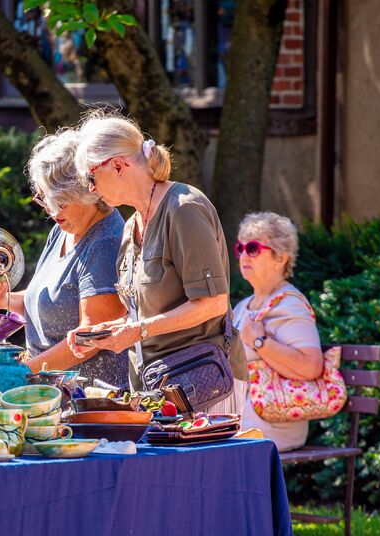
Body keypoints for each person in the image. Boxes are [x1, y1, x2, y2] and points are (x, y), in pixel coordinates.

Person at [66, 111, 247, 414]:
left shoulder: (184, 208)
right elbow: (145, 315)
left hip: (205, 384)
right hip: (155, 390)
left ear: (118, 166)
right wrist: (103, 334)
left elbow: (212, 304)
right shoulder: (130, 227)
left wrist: (137, 331)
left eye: (90, 177)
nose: (91, 188)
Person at [0, 129, 127, 386]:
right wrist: (6, 300)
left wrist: (22, 374)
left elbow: (93, 338)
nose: (52, 211)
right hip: (48, 391)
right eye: (46, 199)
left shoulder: (106, 242)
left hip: (89, 399)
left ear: (86, 193)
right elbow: (56, 302)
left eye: (62, 202)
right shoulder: (63, 229)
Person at [232, 211, 324, 450]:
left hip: (275, 421)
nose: (244, 255)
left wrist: (260, 341)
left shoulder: (290, 304)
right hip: (246, 415)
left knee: (213, 444)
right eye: (240, 248)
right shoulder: (243, 306)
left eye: (253, 248)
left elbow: (311, 366)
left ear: (280, 257)